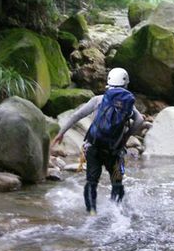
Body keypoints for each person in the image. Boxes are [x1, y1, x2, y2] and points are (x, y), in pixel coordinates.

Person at [52, 68, 144, 215]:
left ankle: (91, 213)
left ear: (108, 81)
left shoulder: (98, 100)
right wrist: (126, 137)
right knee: (117, 183)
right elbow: (140, 120)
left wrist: (61, 133)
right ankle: (117, 213)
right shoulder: (127, 104)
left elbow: (77, 115)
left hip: (94, 147)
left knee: (92, 182)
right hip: (114, 151)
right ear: (126, 83)